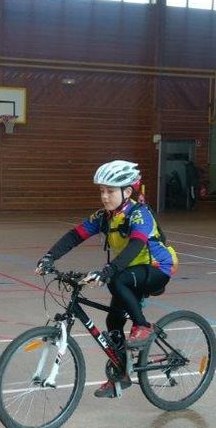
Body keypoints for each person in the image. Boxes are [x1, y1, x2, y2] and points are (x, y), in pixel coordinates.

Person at [35, 160, 178, 398]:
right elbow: (75, 236)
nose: (104, 196)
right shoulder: (104, 217)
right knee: (113, 322)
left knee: (117, 280)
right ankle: (121, 375)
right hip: (130, 271)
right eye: (102, 190)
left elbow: (136, 245)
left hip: (157, 269)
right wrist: (49, 257)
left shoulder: (139, 213)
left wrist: (108, 271)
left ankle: (142, 326)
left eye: (110, 191)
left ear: (128, 192)